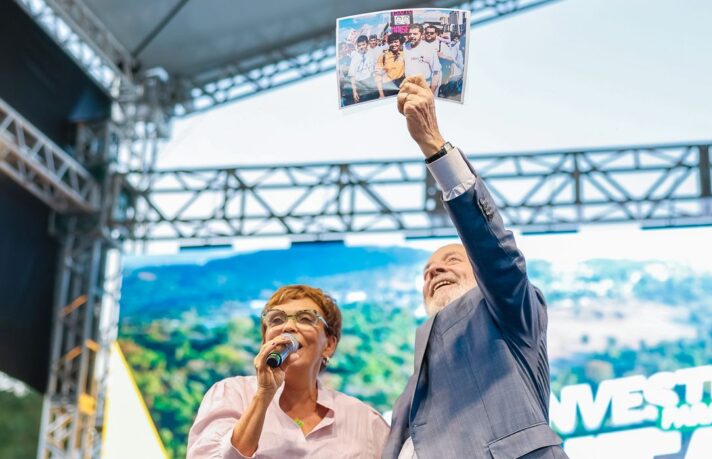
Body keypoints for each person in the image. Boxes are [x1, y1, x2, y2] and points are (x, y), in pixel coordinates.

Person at [383, 76, 569, 458]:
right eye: (426, 272)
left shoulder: (510, 314)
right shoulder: (413, 387)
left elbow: (493, 251)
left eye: (451, 260)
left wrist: (433, 145)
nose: (432, 272)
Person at [187, 285, 389, 458]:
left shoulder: (366, 421)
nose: (289, 326)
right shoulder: (230, 394)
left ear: (329, 345)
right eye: (276, 320)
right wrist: (263, 395)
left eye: (306, 319)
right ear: (266, 340)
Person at [403, 24, 441, 95]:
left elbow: (436, 72)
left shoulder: (429, 48)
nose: (411, 36)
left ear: (421, 34)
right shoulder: (405, 47)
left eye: (415, 34)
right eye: (409, 34)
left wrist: (431, 93)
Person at [375, 34, 406, 98]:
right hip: (388, 87)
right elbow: (378, 76)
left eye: (396, 42)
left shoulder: (403, 54)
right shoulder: (383, 56)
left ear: (400, 42)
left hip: (401, 86)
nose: (393, 44)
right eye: (391, 42)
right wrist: (381, 94)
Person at [348, 35, 377, 104]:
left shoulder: (371, 54)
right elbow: (352, 76)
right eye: (359, 45)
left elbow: (375, 69)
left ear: (367, 44)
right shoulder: (355, 58)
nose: (361, 47)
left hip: (372, 83)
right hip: (361, 86)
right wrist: (354, 92)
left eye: (363, 44)